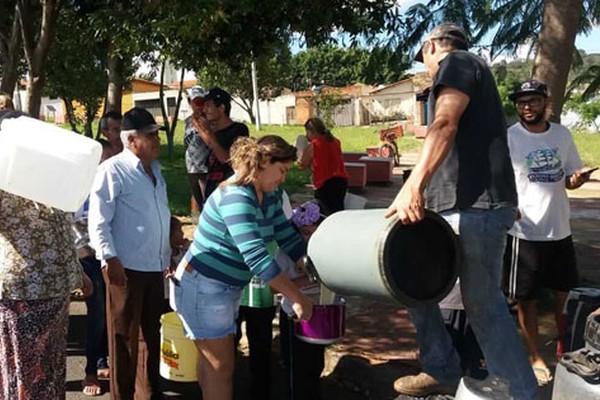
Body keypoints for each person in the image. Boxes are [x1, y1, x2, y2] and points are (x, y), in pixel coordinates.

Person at [385, 23, 537, 399]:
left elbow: (445, 122)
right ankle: (441, 368)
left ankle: (520, 391)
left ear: (432, 45)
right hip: (458, 206)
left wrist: (412, 184)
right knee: (412, 285)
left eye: (424, 60)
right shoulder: (469, 72)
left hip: (476, 207)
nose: (426, 69)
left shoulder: (457, 62)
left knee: (482, 303)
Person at [172, 135, 314, 400]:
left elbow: (286, 234)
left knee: (212, 365)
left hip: (221, 289)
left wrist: (308, 263)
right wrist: (296, 296)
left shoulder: (269, 195)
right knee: (221, 368)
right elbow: (257, 257)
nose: (283, 178)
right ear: (263, 163)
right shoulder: (236, 195)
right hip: (203, 287)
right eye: (281, 170)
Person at [501, 80, 595, 386]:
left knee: (564, 298)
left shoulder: (562, 135)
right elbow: (497, 178)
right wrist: (507, 205)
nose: (526, 107)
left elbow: (568, 180)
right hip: (524, 232)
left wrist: (577, 180)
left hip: (560, 230)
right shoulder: (509, 137)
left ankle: (567, 350)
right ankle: (535, 356)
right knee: (526, 300)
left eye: (532, 101)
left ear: (545, 102)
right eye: (521, 102)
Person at [0, 109, 92, 399]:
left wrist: (78, 272)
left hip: (55, 291)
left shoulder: (53, 175)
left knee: (49, 375)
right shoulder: (4, 172)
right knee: (26, 377)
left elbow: (60, 230)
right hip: (22, 293)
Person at [88, 107, 171, 400]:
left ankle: (148, 394)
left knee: (151, 336)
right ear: (132, 140)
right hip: (126, 267)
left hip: (155, 266)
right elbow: (98, 220)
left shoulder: (156, 171)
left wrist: (168, 252)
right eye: (151, 136)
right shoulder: (112, 170)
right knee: (123, 340)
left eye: (156, 134)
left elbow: (159, 214)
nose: (157, 140)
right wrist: (109, 258)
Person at [77, 139, 116, 396]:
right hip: (86, 254)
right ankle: (91, 368)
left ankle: (106, 360)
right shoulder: (78, 186)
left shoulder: (115, 181)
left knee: (118, 308)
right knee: (99, 306)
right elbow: (74, 225)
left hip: (114, 252)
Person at [277, 201, 325, 400]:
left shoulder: (326, 251)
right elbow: (273, 284)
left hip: (320, 312)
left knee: (315, 364)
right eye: (305, 233)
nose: (310, 238)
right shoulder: (285, 255)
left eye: (314, 232)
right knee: (295, 365)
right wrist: (309, 278)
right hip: (293, 315)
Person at [192, 87, 250, 199]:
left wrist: (208, 131)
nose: (205, 110)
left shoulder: (239, 129)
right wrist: (198, 124)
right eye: (204, 106)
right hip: (212, 191)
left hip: (230, 193)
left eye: (208, 106)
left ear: (221, 108)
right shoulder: (214, 132)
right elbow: (210, 143)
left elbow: (226, 159)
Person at [299, 117, 348, 215]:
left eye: (307, 132)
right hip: (341, 181)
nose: (306, 135)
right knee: (338, 212)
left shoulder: (314, 145)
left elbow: (302, 165)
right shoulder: (335, 141)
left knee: (326, 214)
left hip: (325, 183)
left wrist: (299, 152)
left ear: (312, 131)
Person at [184, 86, 211, 213]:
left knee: (208, 197)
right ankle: (198, 218)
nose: (199, 106)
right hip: (191, 166)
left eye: (202, 101)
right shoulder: (187, 121)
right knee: (196, 195)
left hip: (205, 166)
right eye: (196, 102)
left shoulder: (209, 119)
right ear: (190, 102)